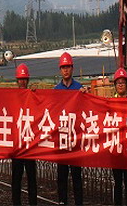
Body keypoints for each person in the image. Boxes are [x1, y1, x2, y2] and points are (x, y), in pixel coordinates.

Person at [54, 52, 85, 205]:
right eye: (63, 67)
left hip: (76, 138)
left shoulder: (79, 88)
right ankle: (62, 202)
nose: (66, 70)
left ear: (72, 68)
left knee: (76, 175)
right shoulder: (56, 90)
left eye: (68, 67)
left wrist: (86, 95)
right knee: (62, 175)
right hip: (62, 138)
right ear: (60, 70)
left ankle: (79, 202)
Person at [12, 63, 37, 205]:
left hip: (30, 144)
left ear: (27, 80)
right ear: (17, 80)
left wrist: (35, 93)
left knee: (31, 178)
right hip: (17, 145)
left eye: (24, 79)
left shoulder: (32, 95)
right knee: (16, 178)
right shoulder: (12, 97)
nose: (22, 82)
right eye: (20, 79)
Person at [112, 68, 127, 206]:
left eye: (123, 82)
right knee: (117, 182)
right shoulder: (110, 102)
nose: (120, 85)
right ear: (115, 85)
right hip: (116, 148)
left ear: (126, 85)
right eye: (118, 83)